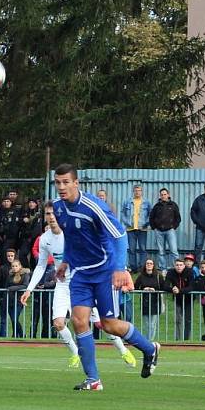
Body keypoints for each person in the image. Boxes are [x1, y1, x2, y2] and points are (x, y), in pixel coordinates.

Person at [52, 163, 159, 390]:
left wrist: (120, 268)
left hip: (104, 270)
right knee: (79, 321)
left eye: (65, 182)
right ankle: (93, 380)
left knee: (108, 325)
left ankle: (150, 349)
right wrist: (65, 261)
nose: (61, 187)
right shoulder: (58, 209)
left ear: (76, 183)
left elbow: (120, 235)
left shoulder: (93, 206)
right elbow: (72, 237)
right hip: (80, 273)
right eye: (57, 182)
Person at [21, 201, 137, 368]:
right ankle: (76, 354)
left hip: (82, 282)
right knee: (59, 323)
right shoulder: (45, 239)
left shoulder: (72, 233)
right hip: (62, 285)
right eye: (48, 214)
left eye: (53, 214)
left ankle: (123, 351)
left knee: (102, 324)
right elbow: (41, 265)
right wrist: (29, 289)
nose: (51, 217)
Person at [149, 188, 181, 274]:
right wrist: (154, 228)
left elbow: (178, 218)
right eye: (162, 194)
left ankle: (176, 268)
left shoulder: (173, 205)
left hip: (170, 231)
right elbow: (151, 217)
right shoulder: (157, 206)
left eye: (165, 194)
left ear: (168, 195)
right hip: (159, 231)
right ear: (160, 196)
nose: (163, 196)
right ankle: (163, 269)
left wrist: (173, 227)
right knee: (161, 251)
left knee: (173, 250)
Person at [120, 184, 152, 272]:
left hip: (142, 229)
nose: (137, 192)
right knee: (131, 249)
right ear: (133, 191)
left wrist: (146, 223)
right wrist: (127, 223)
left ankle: (142, 268)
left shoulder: (146, 202)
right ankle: (133, 268)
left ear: (142, 192)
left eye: (139, 190)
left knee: (142, 248)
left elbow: (151, 214)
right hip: (131, 229)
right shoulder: (127, 201)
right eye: (136, 190)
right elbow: (122, 213)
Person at [164, 258, 194, 341]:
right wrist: (172, 289)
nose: (179, 267)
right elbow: (165, 285)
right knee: (177, 320)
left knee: (188, 320)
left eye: (181, 265)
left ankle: (186, 340)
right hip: (177, 299)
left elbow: (191, 286)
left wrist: (180, 290)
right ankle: (178, 339)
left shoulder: (189, 272)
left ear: (184, 266)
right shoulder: (170, 272)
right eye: (177, 265)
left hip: (188, 299)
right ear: (174, 266)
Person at [134, 258, 164, 341]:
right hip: (145, 301)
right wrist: (143, 289)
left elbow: (163, 287)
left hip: (155, 301)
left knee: (153, 324)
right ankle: (147, 340)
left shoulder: (158, 276)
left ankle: (149, 340)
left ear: (153, 265)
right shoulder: (141, 276)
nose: (149, 265)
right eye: (147, 263)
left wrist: (155, 290)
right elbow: (135, 287)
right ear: (145, 265)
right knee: (146, 324)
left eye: (151, 263)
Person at [4, 260, 30, 338]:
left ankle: (21, 335)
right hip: (10, 300)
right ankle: (16, 334)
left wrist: (13, 288)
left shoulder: (25, 275)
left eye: (16, 266)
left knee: (15, 318)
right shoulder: (10, 275)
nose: (14, 268)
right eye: (13, 266)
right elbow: (6, 286)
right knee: (12, 319)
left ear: (20, 266)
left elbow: (25, 285)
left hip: (19, 300)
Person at [19, 197, 43, 267]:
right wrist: (23, 220)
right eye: (30, 202)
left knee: (33, 257)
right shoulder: (25, 212)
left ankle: (33, 270)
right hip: (26, 238)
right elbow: (19, 223)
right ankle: (27, 268)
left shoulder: (39, 214)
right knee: (22, 254)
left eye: (33, 202)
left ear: (36, 204)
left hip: (35, 238)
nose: (31, 204)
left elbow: (38, 228)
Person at [0, 196, 21, 262]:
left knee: (10, 254)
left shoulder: (15, 211)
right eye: (4, 201)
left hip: (12, 237)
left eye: (8, 201)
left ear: (11, 202)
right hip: (0, 237)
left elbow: (15, 225)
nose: (6, 203)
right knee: (1, 254)